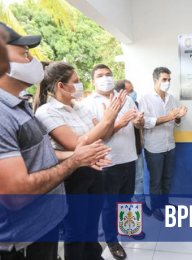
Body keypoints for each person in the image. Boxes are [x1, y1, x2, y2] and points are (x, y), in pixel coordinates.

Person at [0, 23, 110, 260]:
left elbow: (40, 156)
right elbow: (16, 192)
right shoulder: (3, 114)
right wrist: (74, 161)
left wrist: (77, 156)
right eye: (25, 53)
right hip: (22, 239)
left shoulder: (18, 106)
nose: (32, 60)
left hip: (44, 225)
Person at [35, 61, 123, 260]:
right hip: (71, 176)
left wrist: (112, 116)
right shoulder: (47, 112)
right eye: (76, 81)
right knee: (76, 232)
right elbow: (76, 144)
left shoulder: (80, 107)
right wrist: (108, 120)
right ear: (61, 86)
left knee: (92, 227)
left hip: (94, 170)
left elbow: (102, 134)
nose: (80, 84)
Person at [82, 64, 145, 260]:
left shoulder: (125, 99)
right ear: (93, 81)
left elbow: (139, 124)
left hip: (129, 157)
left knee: (127, 199)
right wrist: (119, 122)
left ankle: (129, 228)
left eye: (108, 74)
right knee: (110, 205)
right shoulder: (88, 104)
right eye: (100, 75)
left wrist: (138, 122)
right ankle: (112, 240)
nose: (105, 78)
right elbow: (96, 137)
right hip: (107, 162)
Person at [139, 67, 188, 221]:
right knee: (156, 180)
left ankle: (164, 202)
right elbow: (145, 122)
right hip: (154, 147)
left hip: (170, 145)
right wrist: (168, 117)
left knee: (167, 178)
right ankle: (156, 207)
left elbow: (175, 121)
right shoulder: (145, 98)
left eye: (169, 80)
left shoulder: (171, 98)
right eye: (164, 79)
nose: (167, 82)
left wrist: (178, 117)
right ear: (155, 81)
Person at [115, 79, 152, 216]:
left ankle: (140, 206)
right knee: (122, 192)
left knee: (138, 180)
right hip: (117, 156)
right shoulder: (108, 107)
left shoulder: (133, 104)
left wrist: (139, 126)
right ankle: (122, 228)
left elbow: (139, 125)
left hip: (134, 150)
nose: (133, 94)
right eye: (130, 91)